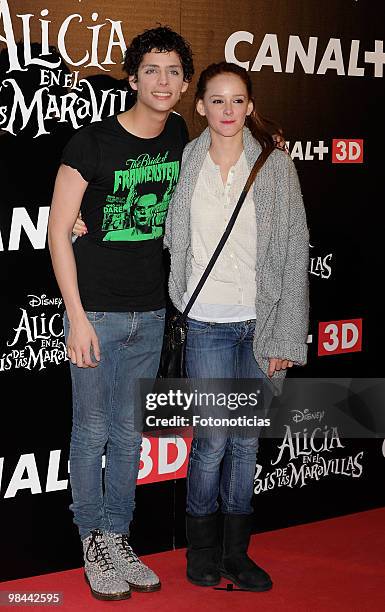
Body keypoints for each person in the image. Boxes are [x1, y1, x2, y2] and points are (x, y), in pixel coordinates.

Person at [48, 26, 193, 601]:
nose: (163, 81)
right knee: (91, 431)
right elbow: (59, 231)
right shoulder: (92, 143)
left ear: (184, 85)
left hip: (151, 311)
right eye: (151, 70)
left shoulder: (180, 133)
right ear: (132, 78)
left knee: (130, 434)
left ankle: (118, 535)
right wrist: (75, 315)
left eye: (173, 71)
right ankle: (92, 542)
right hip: (98, 312)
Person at [164, 62, 309, 592]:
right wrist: (85, 219)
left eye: (238, 100)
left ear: (250, 106)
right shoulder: (186, 160)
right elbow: (163, 229)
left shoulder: (275, 165)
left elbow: (295, 254)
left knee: (246, 443)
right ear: (199, 106)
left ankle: (236, 554)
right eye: (217, 100)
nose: (228, 111)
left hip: (260, 325)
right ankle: (200, 551)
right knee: (212, 441)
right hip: (205, 324)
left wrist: (286, 338)